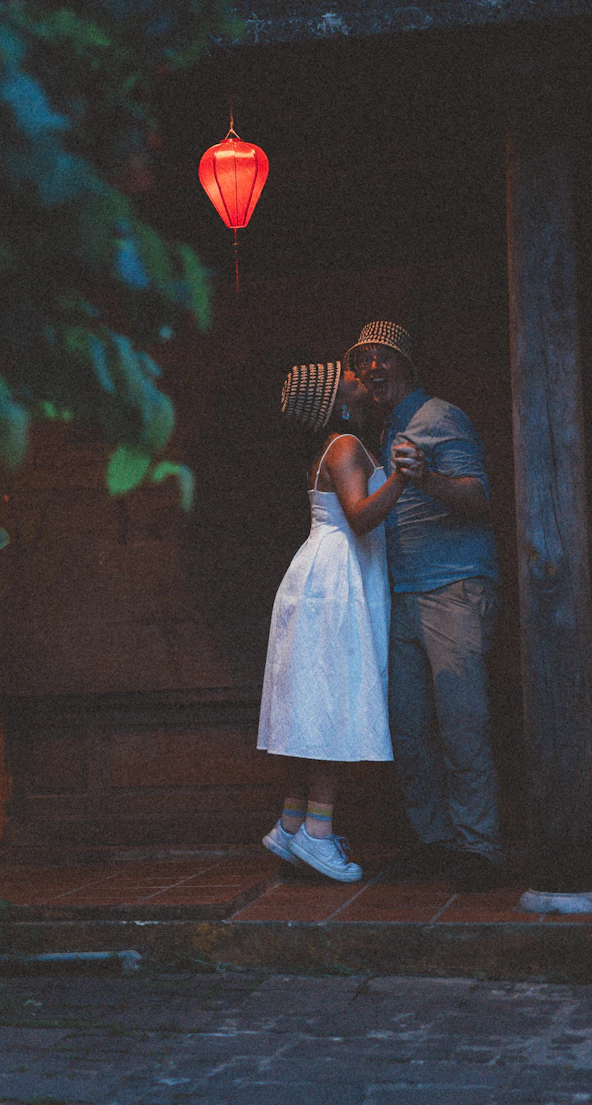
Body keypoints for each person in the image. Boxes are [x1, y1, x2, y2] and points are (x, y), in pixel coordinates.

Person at [347, 321, 505, 892]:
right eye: (364, 362)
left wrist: (426, 477)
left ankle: (479, 849)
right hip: (402, 596)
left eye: (383, 357)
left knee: (463, 722)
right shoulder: (383, 429)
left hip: (455, 589)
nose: (373, 368)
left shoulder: (440, 416)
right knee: (409, 729)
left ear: (408, 364)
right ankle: (435, 842)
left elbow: (478, 496)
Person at [258, 361, 409, 883]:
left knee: (314, 702)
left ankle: (292, 822)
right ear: (337, 401)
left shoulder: (337, 444)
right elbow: (362, 516)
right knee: (333, 703)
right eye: (346, 373)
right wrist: (406, 476)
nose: (356, 370)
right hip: (336, 577)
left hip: (326, 575)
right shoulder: (344, 446)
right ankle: (316, 835)